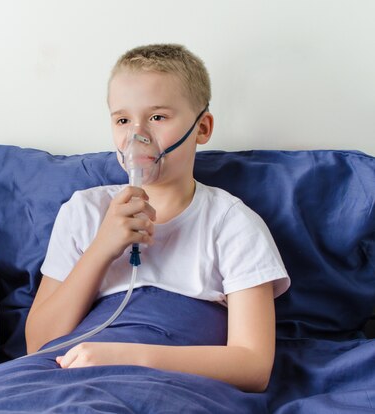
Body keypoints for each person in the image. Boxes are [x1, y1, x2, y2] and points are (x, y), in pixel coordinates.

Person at [25, 44, 290, 393]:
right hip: (69, 378)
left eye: (157, 117)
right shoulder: (84, 212)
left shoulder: (231, 224)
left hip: (172, 385)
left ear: (203, 128)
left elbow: (254, 367)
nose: (138, 136)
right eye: (123, 120)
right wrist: (102, 248)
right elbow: (38, 345)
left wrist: (126, 356)